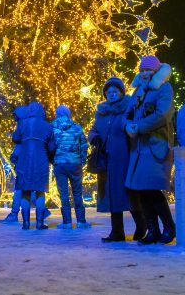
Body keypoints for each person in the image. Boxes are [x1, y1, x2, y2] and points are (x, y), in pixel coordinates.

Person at [125, 55, 176, 245]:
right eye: (142, 71)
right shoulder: (138, 91)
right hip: (139, 147)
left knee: (153, 190)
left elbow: (163, 114)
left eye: (149, 71)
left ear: (155, 72)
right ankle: (152, 230)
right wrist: (127, 126)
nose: (145, 74)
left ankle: (169, 228)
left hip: (155, 146)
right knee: (142, 190)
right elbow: (128, 115)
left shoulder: (164, 88)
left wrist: (139, 127)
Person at [89, 77, 147, 242]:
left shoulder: (128, 109)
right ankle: (117, 231)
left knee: (129, 193)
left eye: (115, 91)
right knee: (111, 195)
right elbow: (93, 130)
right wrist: (94, 138)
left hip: (123, 157)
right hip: (106, 159)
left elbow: (134, 128)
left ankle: (141, 225)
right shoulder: (101, 112)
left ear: (121, 92)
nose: (112, 94)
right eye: (109, 92)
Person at [13, 102, 56, 231]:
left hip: (24, 161)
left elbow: (15, 138)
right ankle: (39, 223)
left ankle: (25, 223)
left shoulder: (23, 123)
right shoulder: (48, 126)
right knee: (40, 192)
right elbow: (52, 147)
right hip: (41, 161)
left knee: (25, 192)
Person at [51, 105, 89, 229]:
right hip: (74, 164)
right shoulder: (77, 127)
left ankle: (67, 222)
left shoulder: (52, 128)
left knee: (64, 194)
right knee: (77, 193)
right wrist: (82, 160)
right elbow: (84, 145)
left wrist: (54, 160)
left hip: (60, 164)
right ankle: (81, 221)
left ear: (57, 114)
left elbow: (50, 147)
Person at [0, 104, 30, 224]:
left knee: (20, 188)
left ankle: (14, 214)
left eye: (16, 116)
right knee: (25, 188)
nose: (14, 119)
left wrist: (15, 155)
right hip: (30, 161)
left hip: (23, 161)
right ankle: (15, 213)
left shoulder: (22, 126)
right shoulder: (29, 125)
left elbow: (19, 144)